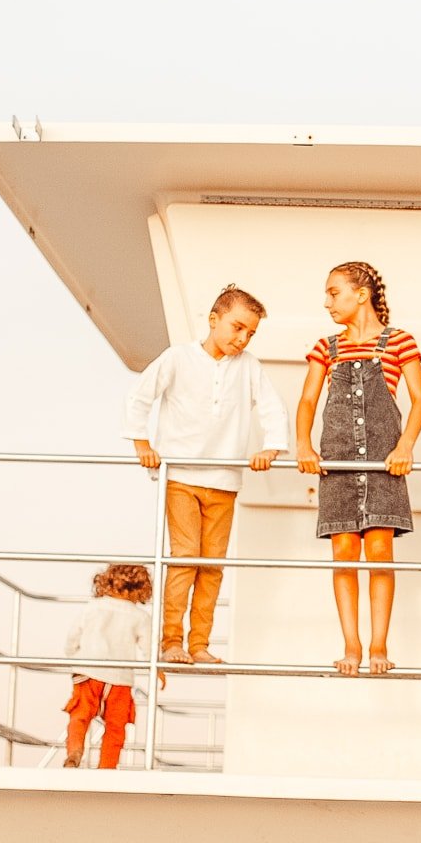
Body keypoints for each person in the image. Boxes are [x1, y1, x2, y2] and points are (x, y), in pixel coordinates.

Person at [124, 285, 289, 666]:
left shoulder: (248, 366)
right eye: (237, 327)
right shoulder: (178, 358)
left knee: (212, 566)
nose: (242, 338)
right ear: (214, 320)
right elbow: (139, 397)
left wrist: (272, 448)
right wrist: (142, 445)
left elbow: (272, 408)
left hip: (225, 482)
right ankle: (171, 641)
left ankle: (200, 643)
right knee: (185, 558)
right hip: (182, 476)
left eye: (250, 333)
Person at [294, 261, 421, 676]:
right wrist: (304, 444)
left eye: (334, 292)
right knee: (344, 552)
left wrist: (405, 445)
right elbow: (307, 402)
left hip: (382, 462)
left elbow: (420, 401)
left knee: (380, 551)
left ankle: (378, 644)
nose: (327, 302)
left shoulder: (399, 343)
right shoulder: (326, 348)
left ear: (361, 294)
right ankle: (351, 644)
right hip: (337, 462)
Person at [62, 564, 154, 768]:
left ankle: (74, 751)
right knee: (116, 725)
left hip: (88, 671)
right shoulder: (140, 616)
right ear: (141, 589)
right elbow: (149, 648)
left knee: (80, 715)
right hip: (119, 678)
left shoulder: (92, 607)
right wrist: (159, 670)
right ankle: (107, 766)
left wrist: (73, 656)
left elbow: (72, 637)